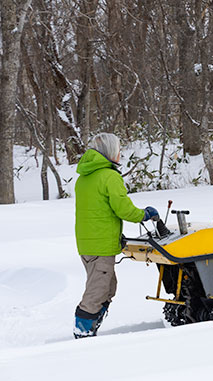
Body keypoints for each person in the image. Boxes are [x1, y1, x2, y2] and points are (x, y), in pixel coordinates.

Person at [73, 133, 158, 338]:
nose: (120, 154)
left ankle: (91, 324)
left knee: (109, 287)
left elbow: (100, 211)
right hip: (99, 246)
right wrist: (144, 215)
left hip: (89, 243)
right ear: (110, 152)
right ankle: (82, 332)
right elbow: (123, 209)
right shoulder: (109, 176)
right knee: (98, 291)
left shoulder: (85, 177)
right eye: (119, 150)